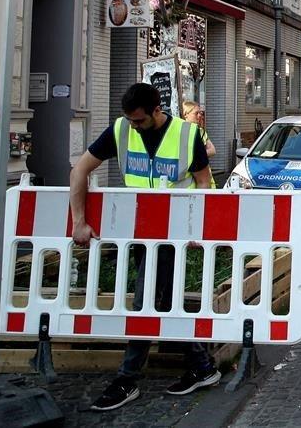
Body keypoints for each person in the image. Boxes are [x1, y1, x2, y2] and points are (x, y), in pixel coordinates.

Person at [69, 83, 219, 411]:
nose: (134, 126)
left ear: (156, 111)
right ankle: (203, 366)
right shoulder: (121, 130)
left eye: (139, 120)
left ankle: (127, 379)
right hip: (139, 232)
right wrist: (78, 221)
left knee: (145, 300)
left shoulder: (185, 134)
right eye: (130, 120)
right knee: (162, 302)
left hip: (173, 233)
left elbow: (205, 182)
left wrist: (196, 228)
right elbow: (80, 170)